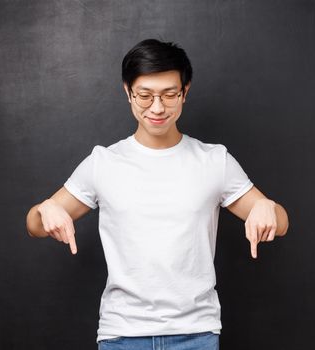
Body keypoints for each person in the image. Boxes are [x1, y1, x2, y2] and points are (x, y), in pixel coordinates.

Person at [26, 38, 289, 350]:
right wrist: (45, 208)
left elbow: (281, 222)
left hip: (197, 334)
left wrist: (265, 205)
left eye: (169, 95)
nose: (157, 108)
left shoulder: (213, 160)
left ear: (185, 92)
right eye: (145, 96)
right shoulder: (104, 162)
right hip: (121, 335)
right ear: (128, 92)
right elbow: (34, 225)